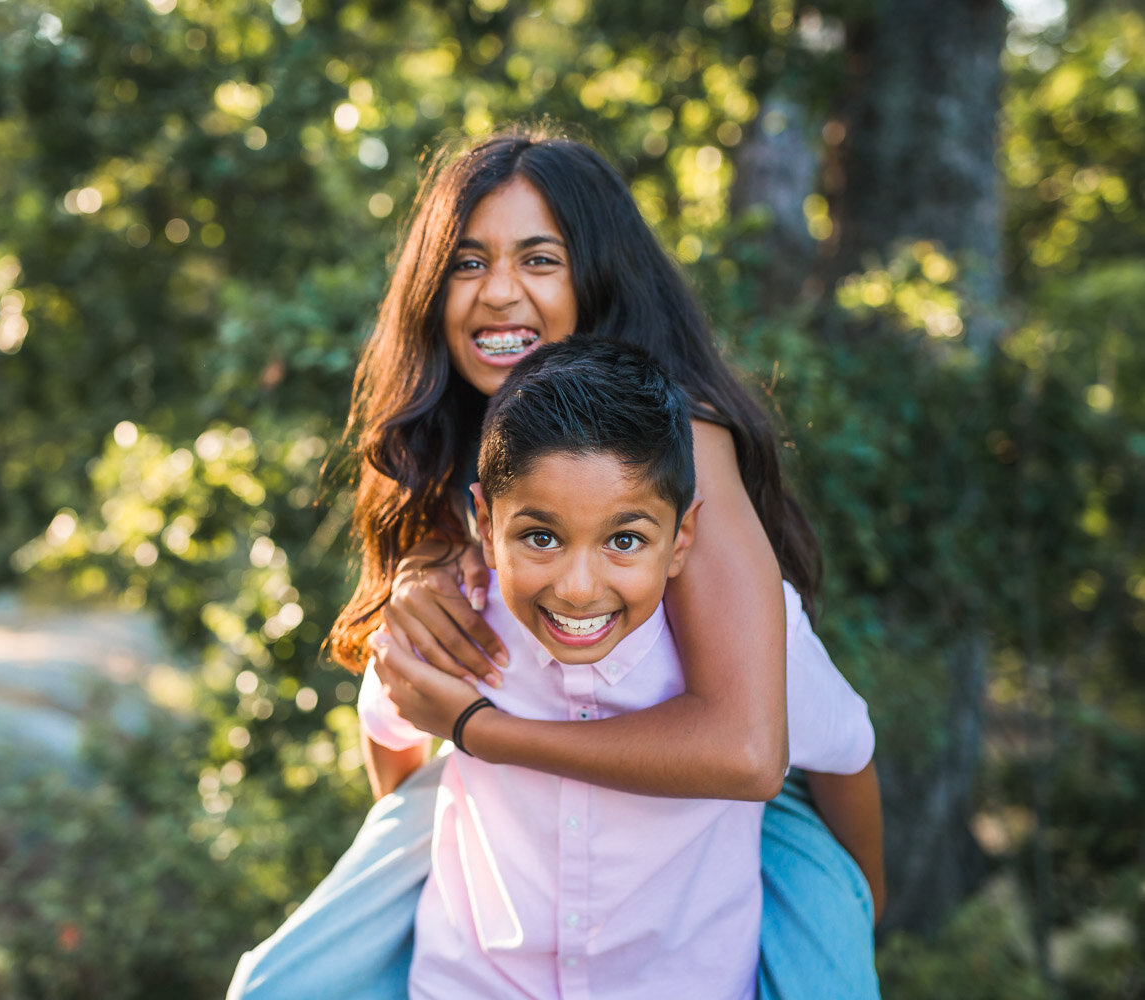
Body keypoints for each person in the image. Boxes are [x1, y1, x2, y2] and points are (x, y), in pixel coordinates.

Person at [228, 127, 883, 1000]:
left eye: (540, 260)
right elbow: (396, 721)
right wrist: (420, 576)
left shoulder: (675, 437)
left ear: (596, 278)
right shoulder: (452, 435)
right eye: (467, 263)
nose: (500, 293)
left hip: (708, 783)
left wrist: (479, 732)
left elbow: (752, 748)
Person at [358, 338, 880, 998]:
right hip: (471, 982)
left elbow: (848, 752)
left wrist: (858, 913)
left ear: (681, 538)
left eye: (624, 540)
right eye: (540, 537)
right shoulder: (455, 617)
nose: (579, 587)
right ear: (486, 526)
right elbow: (386, 721)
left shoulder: (744, 640)